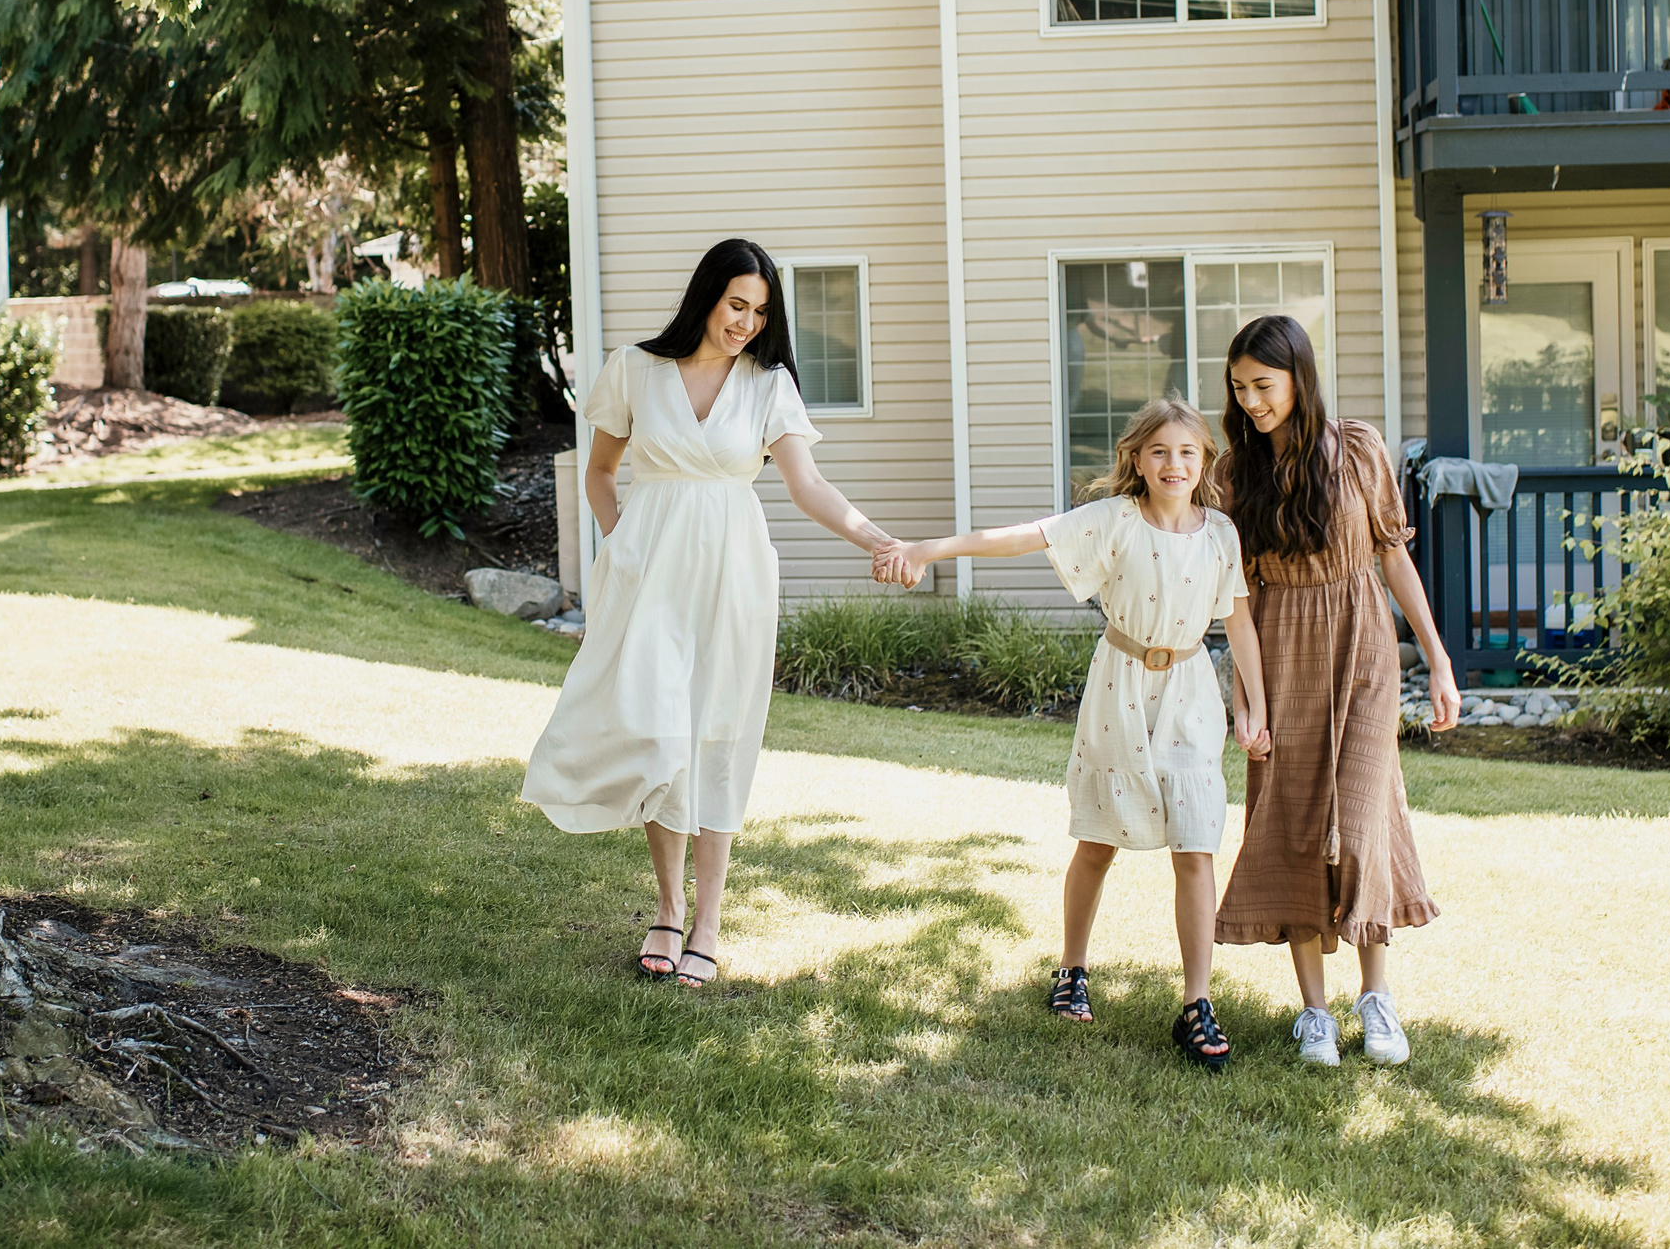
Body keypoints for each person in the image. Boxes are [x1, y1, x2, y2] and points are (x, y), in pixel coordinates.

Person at [521, 238, 907, 987]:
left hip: (733, 577)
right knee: (660, 731)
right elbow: (601, 472)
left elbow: (808, 485)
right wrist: (620, 543)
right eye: (738, 304)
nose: (747, 323)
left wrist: (874, 535)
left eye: (761, 312)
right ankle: (667, 907)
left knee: (719, 736)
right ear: (706, 295)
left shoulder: (769, 384)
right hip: (648, 575)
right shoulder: (636, 369)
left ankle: (707, 921)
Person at [879, 399, 1267, 1071]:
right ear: (1137, 460)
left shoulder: (1222, 534)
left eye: (1187, 452)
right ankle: (1072, 968)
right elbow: (1021, 536)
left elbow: (1239, 624)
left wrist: (1253, 704)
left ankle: (1197, 1003)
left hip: (1191, 694)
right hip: (1119, 688)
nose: (1173, 464)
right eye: (1159, 451)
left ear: (1204, 459)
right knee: (1097, 840)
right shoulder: (1115, 519)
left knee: (1198, 842)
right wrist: (928, 548)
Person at [1212, 314, 1460, 1067]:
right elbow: (1237, 603)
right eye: (1239, 388)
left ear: (1299, 376)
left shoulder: (1358, 449)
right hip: (1280, 651)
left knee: (1362, 820)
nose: (1252, 400)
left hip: (1363, 647)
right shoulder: (1232, 476)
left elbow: (1393, 560)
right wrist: (1245, 702)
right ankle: (1314, 1011)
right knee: (1290, 820)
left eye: (1264, 384)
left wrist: (1438, 658)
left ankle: (1376, 996)